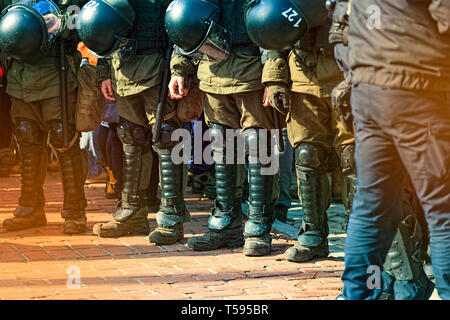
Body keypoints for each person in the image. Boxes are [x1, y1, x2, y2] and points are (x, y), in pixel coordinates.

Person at [340, 0, 450, 299]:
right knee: (443, 208)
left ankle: (357, 296)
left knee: (373, 206)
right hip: (420, 82)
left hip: (367, 84)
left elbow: (339, 18)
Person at [165, 0, 283, 256]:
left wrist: (274, 76)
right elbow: (187, 14)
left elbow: (274, 17)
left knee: (258, 144)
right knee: (222, 145)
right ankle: (226, 222)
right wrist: (179, 68)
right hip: (212, 68)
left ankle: (259, 226)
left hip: (253, 66)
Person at [245, 0, 355, 262]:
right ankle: (313, 234)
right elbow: (271, 22)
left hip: (351, 69)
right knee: (307, 154)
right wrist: (274, 78)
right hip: (303, 73)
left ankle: (360, 239)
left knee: (355, 157)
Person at [78, 0, 189, 243]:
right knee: (131, 138)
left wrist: (179, 69)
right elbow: (105, 25)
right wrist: (104, 72)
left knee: (167, 138)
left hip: (160, 66)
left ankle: (172, 217)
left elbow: (183, 20)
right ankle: (132, 213)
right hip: (123, 68)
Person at [0, 0, 88, 234]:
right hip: (19, 75)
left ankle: (74, 211)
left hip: (55, 73)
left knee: (64, 140)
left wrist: (63, 25)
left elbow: (84, 22)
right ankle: (30, 208)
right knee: (27, 140)